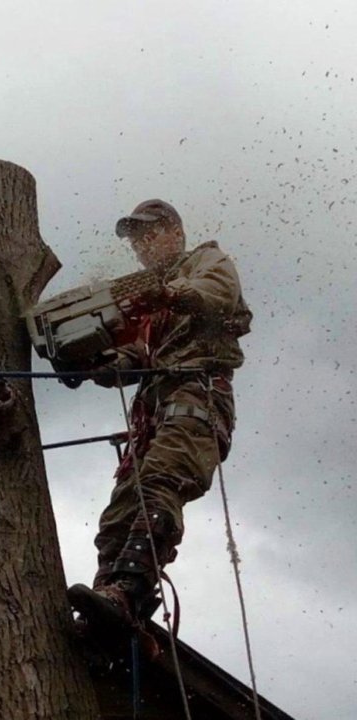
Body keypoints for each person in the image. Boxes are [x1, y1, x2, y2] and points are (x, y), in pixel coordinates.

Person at [68, 199, 252, 630]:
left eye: (149, 236)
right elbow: (141, 356)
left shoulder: (207, 262)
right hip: (153, 413)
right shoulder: (154, 296)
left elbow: (216, 296)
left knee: (160, 484)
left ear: (174, 232)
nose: (143, 247)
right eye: (137, 241)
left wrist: (169, 293)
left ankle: (128, 591)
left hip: (196, 396)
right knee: (119, 513)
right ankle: (104, 606)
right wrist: (106, 364)